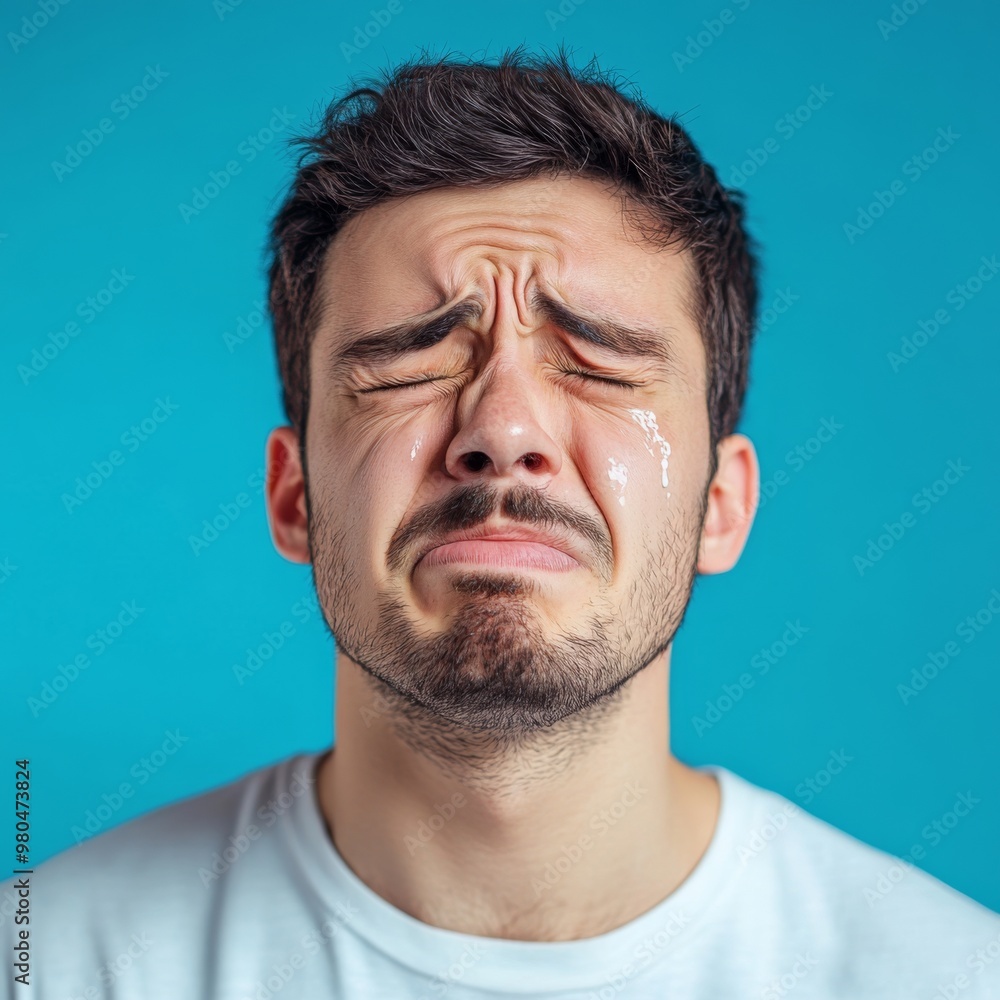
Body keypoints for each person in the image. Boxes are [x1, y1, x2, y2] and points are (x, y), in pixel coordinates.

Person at [5, 48, 998, 1000]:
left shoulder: (951, 979)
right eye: (409, 360)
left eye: (599, 362)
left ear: (721, 506)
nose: (501, 429)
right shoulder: (46, 966)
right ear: (294, 495)